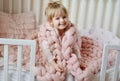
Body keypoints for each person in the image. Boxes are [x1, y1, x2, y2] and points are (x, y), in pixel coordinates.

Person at [36, 1, 82, 81]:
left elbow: (75, 46)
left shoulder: (71, 31)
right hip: (51, 56)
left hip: (66, 55)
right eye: (57, 18)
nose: (62, 20)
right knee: (53, 71)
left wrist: (78, 59)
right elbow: (46, 50)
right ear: (51, 22)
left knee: (72, 72)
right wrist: (53, 63)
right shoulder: (47, 34)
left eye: (64, 17)